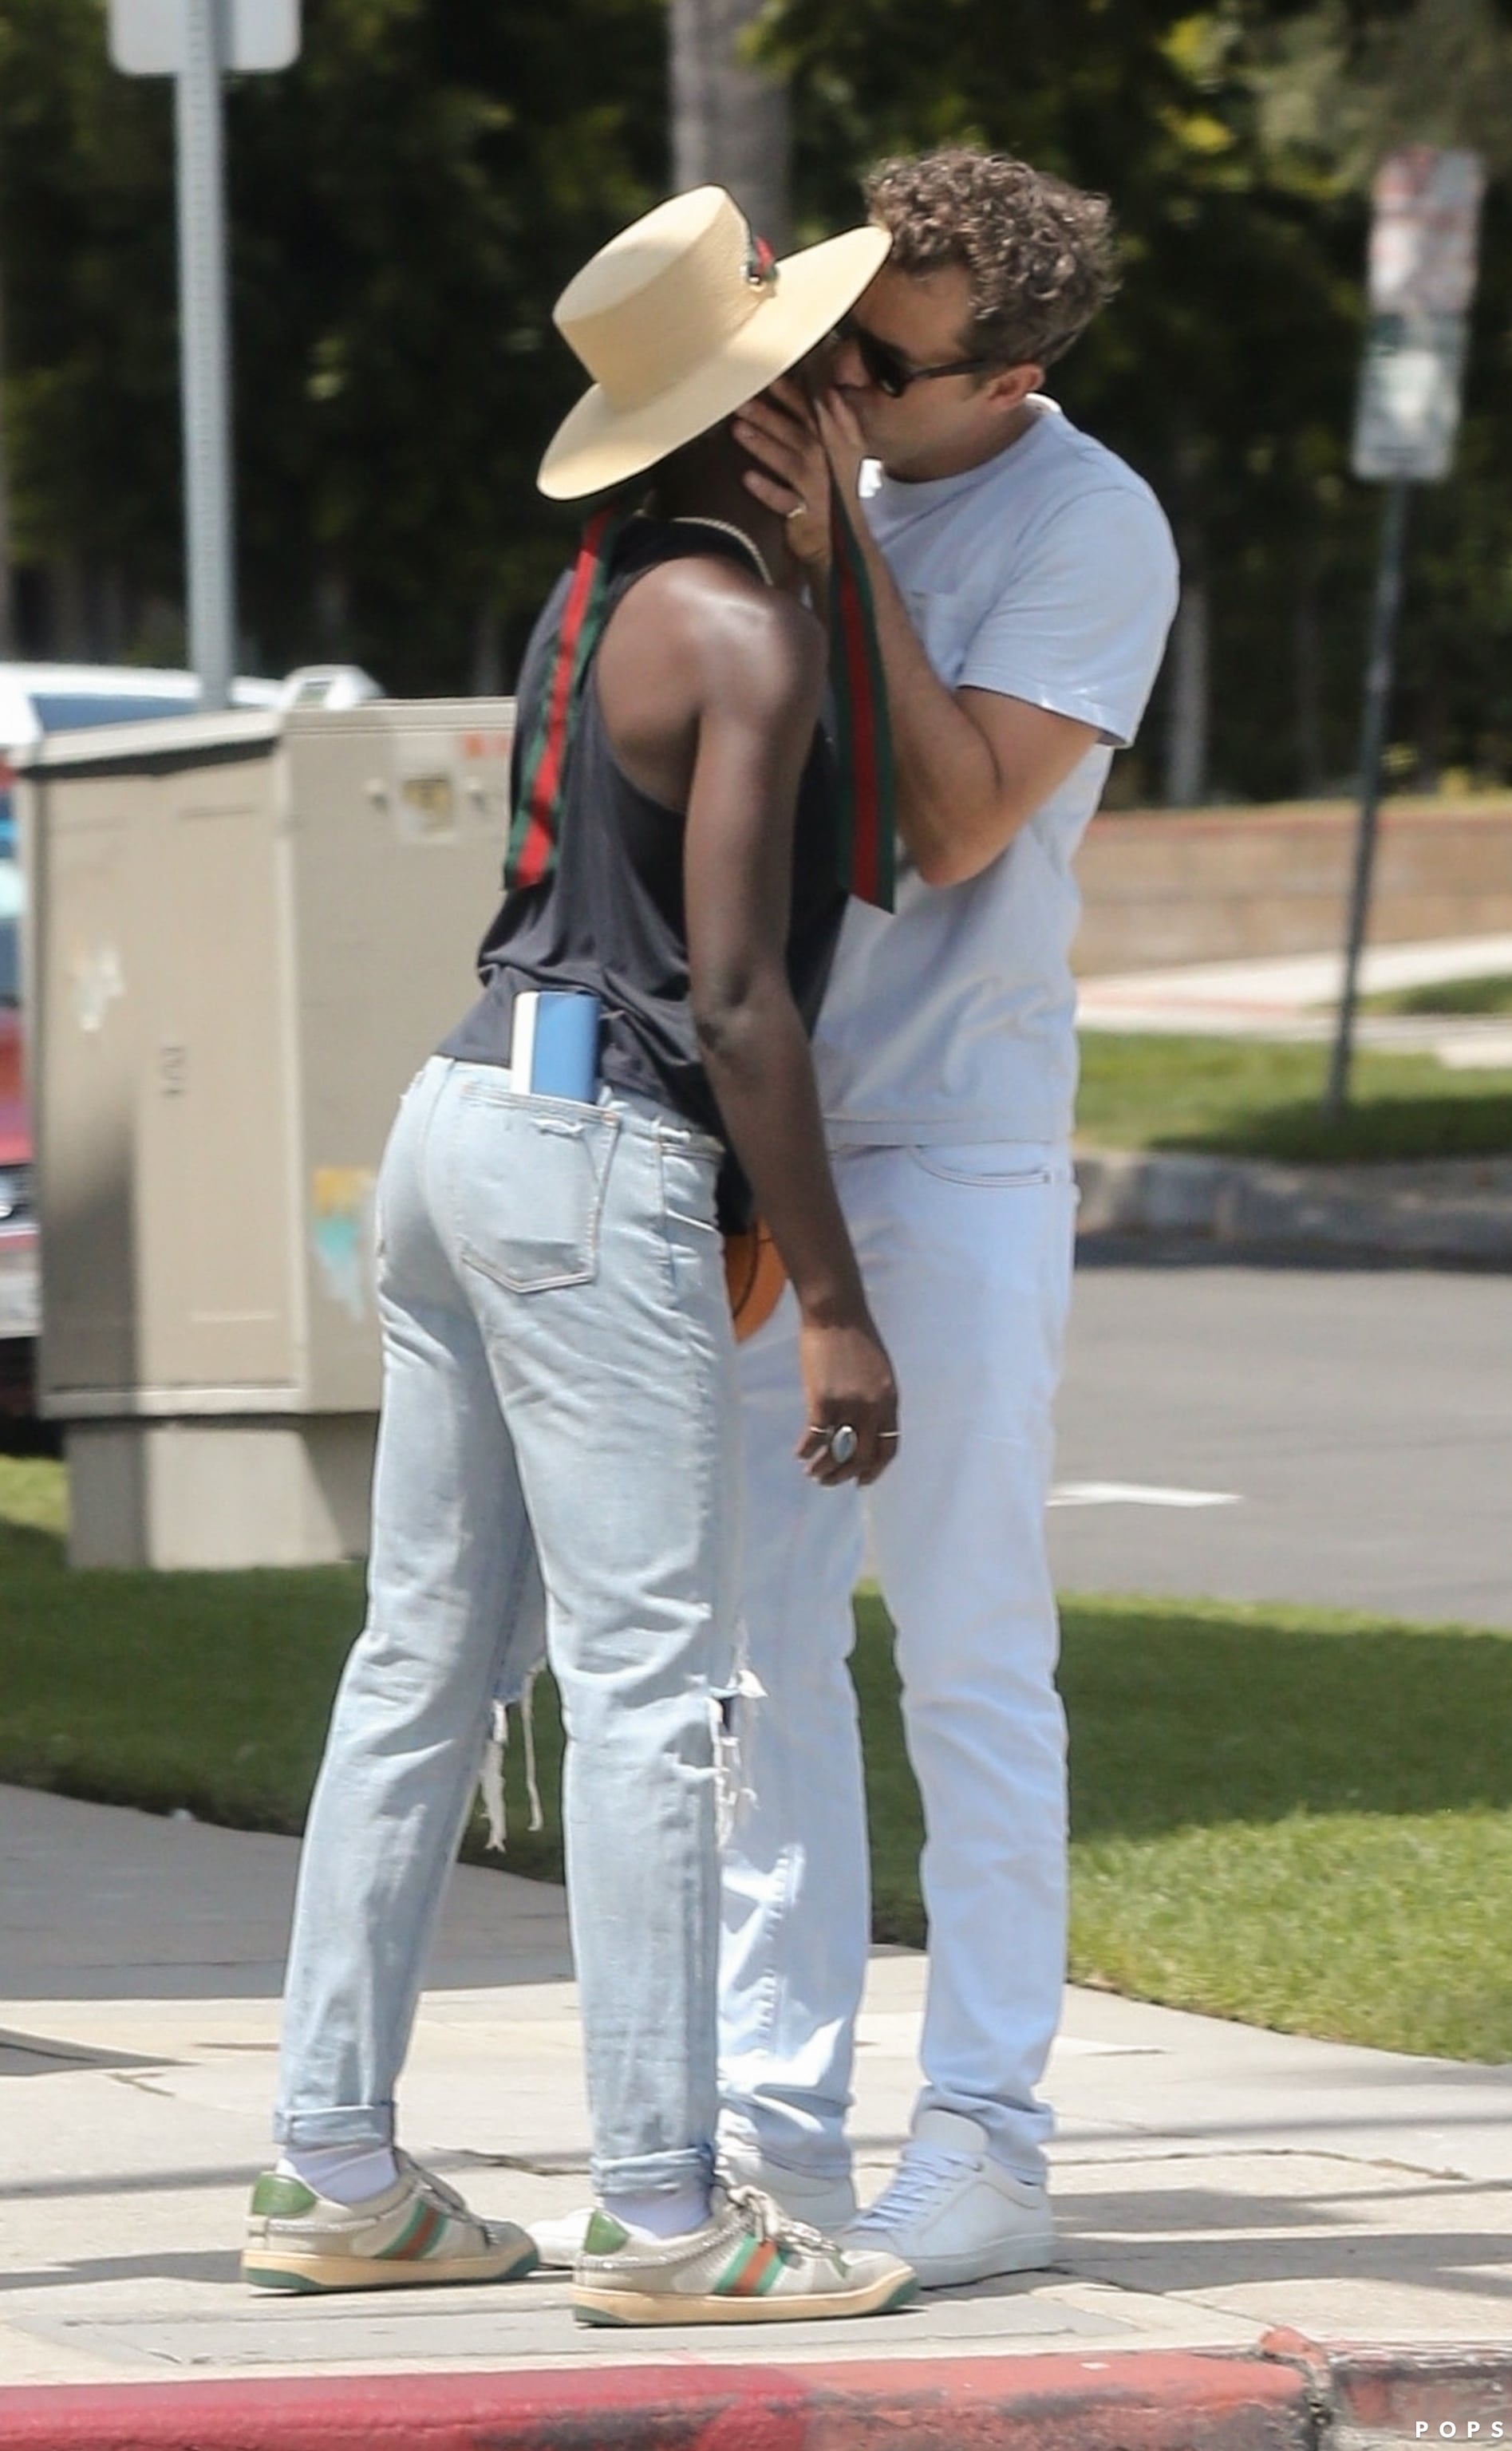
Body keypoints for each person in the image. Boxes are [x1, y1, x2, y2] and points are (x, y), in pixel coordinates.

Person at [243, 184, 919, 2330]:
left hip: (453, 1125)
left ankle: (333, 2167)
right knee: (651, 1698)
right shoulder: (747, 635)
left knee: (418, 1673)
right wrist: (831, 1299)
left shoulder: (603, 592)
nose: (857, 396)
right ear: (763, 410)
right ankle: (661, 2212)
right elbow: (736, 995)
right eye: (833, 367)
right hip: (589, 1152)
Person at [716, 149, 1181, 2287]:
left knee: (971, 1639)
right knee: (755, 1651)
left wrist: (841, 556)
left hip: (959, 1143)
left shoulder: (1087, 524)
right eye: (823, 327)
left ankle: (988, 2131)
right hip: (770, 1138)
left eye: (871, 366)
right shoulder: (833, 463)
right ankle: (767, 2131)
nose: (826, 380)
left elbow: (970, 816)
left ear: (997, 381)